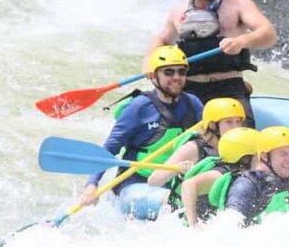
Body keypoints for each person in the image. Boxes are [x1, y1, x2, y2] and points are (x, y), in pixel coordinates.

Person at [146, 0, 277, 126]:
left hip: (229, 88)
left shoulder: (237, 3)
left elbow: (268, 33)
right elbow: (162, 40)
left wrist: (242, 41)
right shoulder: (178, 11)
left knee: (240, 143)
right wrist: (149, 61)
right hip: (190, 91)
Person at [79, 46, 204, 220]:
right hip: (136, 185)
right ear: (153, 76)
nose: (176, 77)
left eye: (181, 72)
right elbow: (109, 149)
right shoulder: (138, 108)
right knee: (183, 203)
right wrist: (91, 185)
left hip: (175, 183)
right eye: (168, 72)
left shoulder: (193, 103)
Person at [147, 97, 246, 202]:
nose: (235, 127)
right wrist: (177, 168)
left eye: (238, 121)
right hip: (180, 209)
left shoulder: (240, 147)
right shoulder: (193, 148)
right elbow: (153, 181)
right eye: (229, 122)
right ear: (213, 125)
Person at [180, 127, 260, 228]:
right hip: (205, 230)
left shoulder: (249, 176)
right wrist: (193, 225)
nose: (265, 159)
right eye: (259, 155)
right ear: (245, 158)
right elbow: (188, 185)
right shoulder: (221, 173)